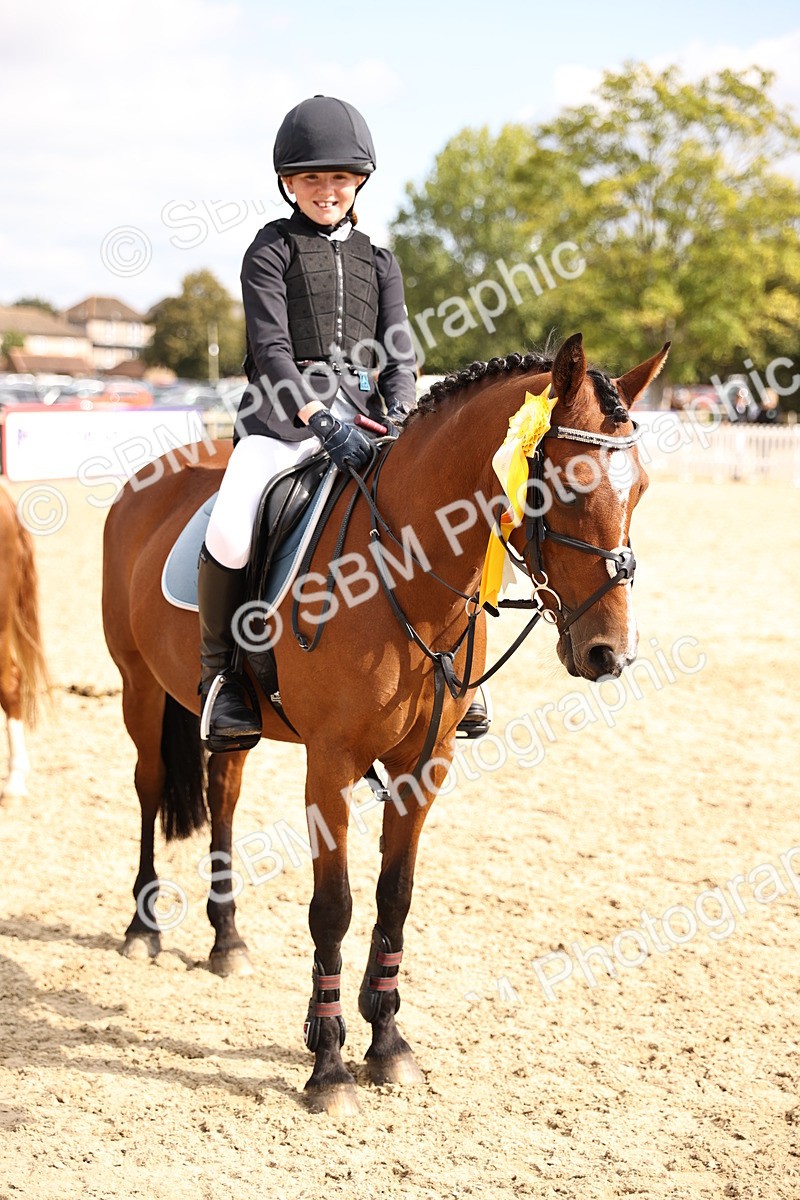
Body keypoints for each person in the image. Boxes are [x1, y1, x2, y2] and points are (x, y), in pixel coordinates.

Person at [197, 95, 417, 751]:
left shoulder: (380, 261)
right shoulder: (270, 251)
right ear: (289, 184)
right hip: (281, 424)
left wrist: (400, 417)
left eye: (341, 178)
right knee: (233, 529)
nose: (328, 190)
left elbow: (401, 353)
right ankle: (224, 679)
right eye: (313, 179)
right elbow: (269, 352)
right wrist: (318, 418)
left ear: (360, 183)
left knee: (442, 501)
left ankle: (452, 664)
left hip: (370, 423)